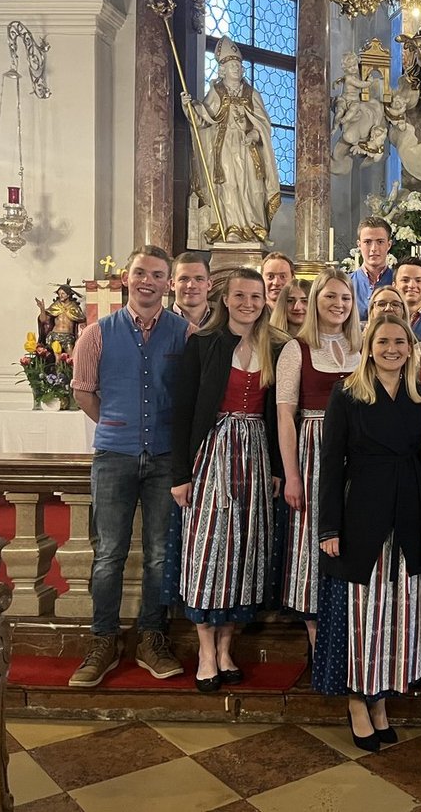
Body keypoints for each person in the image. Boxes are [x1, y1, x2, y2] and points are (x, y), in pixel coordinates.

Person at [313, 314, 421, 752]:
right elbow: (330, 464)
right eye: (383, 341)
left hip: (407, 510)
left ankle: (381, 701)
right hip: (360, 512)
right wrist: (329, 527)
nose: (392, 349)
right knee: (360, 614)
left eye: (399, 342)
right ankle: (356, 701)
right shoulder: (347, 392)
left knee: (394, 614)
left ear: (410, 348)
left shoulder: (420, 395)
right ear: (368, 347)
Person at [68, 246, 190, 687]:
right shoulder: (96, 334)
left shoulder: (185, 333)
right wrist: (118, 424)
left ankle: (151, 637)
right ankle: (103, 638)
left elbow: (192, 395)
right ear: (126, 277)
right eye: (140, 272)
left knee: (159, 553)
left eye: (157, 274)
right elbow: (84, 391)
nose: (147, 281)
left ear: (168, 283)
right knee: (108, 554)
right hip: (114, 456)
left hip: (165, 458)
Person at [169, 269, 289, 691]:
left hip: (256, 452)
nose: (248, 303)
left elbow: (280, 414)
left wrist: (277, 468)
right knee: (209, 548)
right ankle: (206, 650)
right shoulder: (204, 343)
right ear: (225, 298)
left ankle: (225, 648)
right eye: (240, 295)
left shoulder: (277, 346)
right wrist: (180, 474)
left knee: (246, 549)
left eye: (255, 296)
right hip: (213, 451)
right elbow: (183, 410)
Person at [276, 269, 362, 653]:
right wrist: (292, 475)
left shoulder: (362, 346)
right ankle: (318, 639)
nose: (338, 304)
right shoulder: (297, 348)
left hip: (358, 451)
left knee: (352, 531)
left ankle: (349, 629)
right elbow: (285, 416)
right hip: (314, 448)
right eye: (330, 296)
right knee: (314, 536)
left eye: (345, 298)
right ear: (315, 301)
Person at [182, 36, 282, 244]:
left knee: (253, 187)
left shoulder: (252, 94)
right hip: (225, 147)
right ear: (223, 70)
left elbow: (263, 123)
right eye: (231, 65)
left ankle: (254, 228)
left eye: (238, 65)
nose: (236, 68)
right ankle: (231, 228)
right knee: (229, 186)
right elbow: (203, 120)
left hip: (248, 148)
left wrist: (255, 134)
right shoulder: (216, 92)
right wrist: (189, 106)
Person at [350, 217, 395, 322]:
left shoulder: (399, 282)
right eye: (367, 242)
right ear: (359, 245)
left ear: (389, 245)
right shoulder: (347, 283)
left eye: (380, 242)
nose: (374, 248)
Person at [36, 281, 85, 352]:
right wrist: (42, 309)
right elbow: (43, 320)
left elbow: (82, 320)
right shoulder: (56, 305)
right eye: (59, 294)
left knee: (71, 355)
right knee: (56, 355)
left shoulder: (74, 307)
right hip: (55, 335)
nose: (60, 295)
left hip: (68, 336)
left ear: (68, 295)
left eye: (63, 293)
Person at [170, 252, 213, 327]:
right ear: (172, 284)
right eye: (184, 279)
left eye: (199, 279)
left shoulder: (225, 323)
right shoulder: (157, 322)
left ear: (209, 284)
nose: (191, 286)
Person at [393, 256, 421, 339]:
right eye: (405, 280)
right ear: (394, 286)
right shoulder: (386, 317)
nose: (412, 285)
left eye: (418, 281)